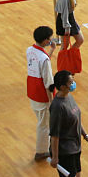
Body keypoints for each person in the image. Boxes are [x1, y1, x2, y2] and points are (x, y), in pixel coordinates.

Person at [36, 70, 88, 177]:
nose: (73, 84)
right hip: (64, 151)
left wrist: (85, 135)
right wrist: (55, 157)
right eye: (70, 82)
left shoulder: (69, 97)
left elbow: (77, 118)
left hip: (75, 146)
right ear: (62, 86)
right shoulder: (57, 107)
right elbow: (54, 135)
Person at [27, 26, 57, 162]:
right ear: (45, 40)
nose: (51, 40)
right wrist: (51, 102)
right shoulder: (44, 59)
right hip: (42, 96)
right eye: (49, 39)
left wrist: (51, 50)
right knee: (44, 125)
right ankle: (41, 151)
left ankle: (44, 148)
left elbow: (42, 62)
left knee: (42, 121)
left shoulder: (30, 50)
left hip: (32, 91)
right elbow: (48, 83)